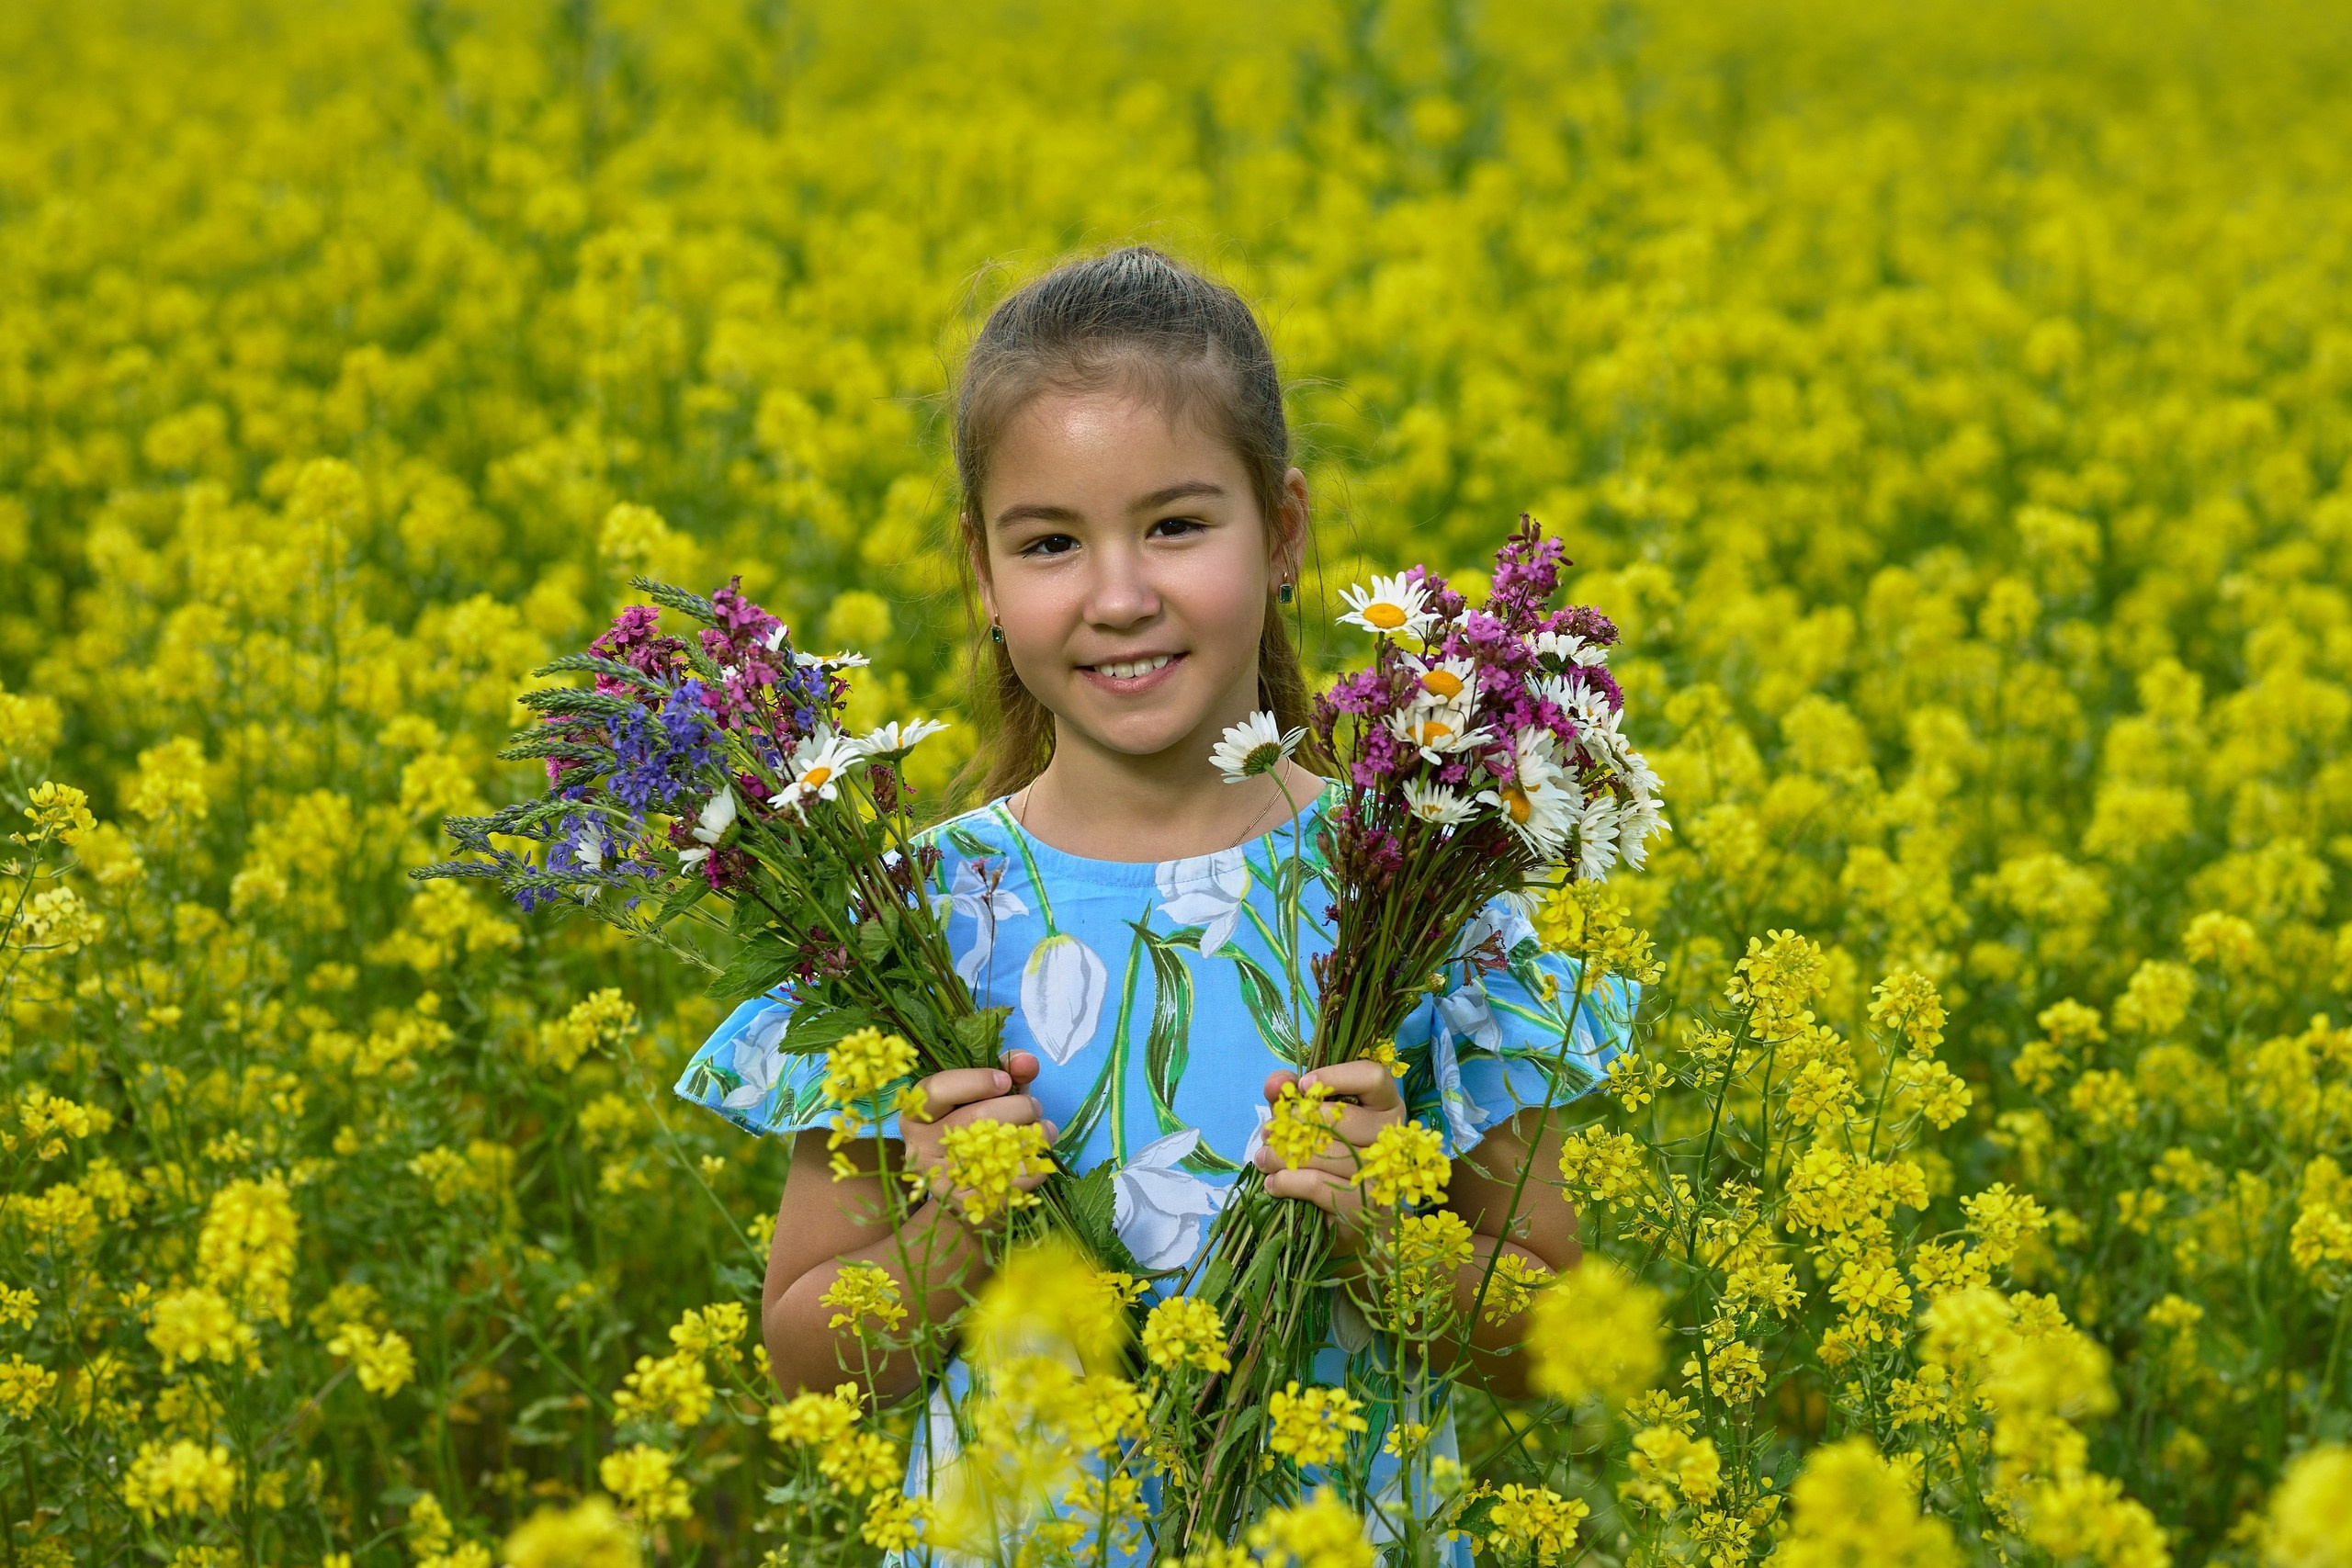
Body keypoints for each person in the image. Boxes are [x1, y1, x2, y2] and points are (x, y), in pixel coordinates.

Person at [671, 244, 1635, 1551]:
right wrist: (956, 1226)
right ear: (986, 575)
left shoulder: (1420, 884)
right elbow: (804, 1362)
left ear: (1284, 529)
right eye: (1051, 543)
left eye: (1178, 526)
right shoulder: (906, 922)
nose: (1121, 596)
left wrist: (1379, 1240)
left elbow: (1555, 1340)